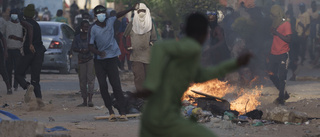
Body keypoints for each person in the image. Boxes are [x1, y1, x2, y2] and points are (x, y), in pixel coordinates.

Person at [135, 12, 252, 137]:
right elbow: (159, 47)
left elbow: (200, 75)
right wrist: (151, 85)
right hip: (164, 117)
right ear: (205, 34)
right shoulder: (193, 47)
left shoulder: (185, 49)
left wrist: (234, 64)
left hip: (150, 116)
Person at [88, 4, 138, 122]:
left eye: (103, 13)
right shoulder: (93, 28)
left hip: (111, 58)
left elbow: (118, 14)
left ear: (105, 14)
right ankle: (110, 111)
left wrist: (130, 9)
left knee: (116, 85)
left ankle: (122, 112)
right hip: (99, 61)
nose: (101, 16)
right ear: (95, 16)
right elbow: (90, 46)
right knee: (103, 85)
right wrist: (98, 52)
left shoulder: (110, 21)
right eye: (99, 14)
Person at [15, 4, 46, 108]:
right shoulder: (37, 24)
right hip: (39, 52)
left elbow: (30, 28)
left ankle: (27, 86)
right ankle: (40, 103)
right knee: (35, 80)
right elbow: (27, 35)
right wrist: (16, 38)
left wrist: (30, 44)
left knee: (18, 74)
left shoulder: (25, 22)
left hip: (30, 52)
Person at [123, 3, 157, 91]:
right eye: (139, 11)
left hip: (148, 54)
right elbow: (124, 36)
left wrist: (151, 43)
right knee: (139, 76)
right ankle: (140, 95)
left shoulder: (150, 24)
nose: (141, 13)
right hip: (136, 55)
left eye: (143, 11)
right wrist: (126, 47)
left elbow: (154, 38)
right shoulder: (132, 23)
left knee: (148, 76)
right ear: (136, 12)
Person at [3, 9, 33, 92]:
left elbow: (25, 38)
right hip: (8, 50)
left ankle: (15, 85)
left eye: (15, 14)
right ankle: (9, 87)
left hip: (18, 50)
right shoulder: (6, 25)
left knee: (17, 69)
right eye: (12, 14)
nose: (14, 15)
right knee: (8, 69)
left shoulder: (21, 25)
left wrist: (16, 38)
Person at [269, 5, 291, 105]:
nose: (272, 17)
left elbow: (289, 39)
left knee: (282, 77)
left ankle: (281, 98)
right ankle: (284, 93)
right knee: (271, 74)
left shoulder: (286, 24)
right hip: (274, 53)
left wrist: (276, 33)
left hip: (283, 53)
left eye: (273, 15)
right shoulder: (275, 23)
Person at [72, 20, 95, 107]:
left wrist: (89, 50)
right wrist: (81, 50)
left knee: (91, 80)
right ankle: (84, 100)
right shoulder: (77, 38)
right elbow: (74, 48)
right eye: (84, 27)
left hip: (90, 60)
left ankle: (90, 100)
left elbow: (95, 47)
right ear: (81, 28)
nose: (86, 29)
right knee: (82, 81)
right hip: (81, 60)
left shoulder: (91, 37)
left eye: (87, 27)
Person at [286, 5, 299, 81]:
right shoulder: (293, 19)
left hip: (292, 41)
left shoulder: (290, 20)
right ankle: (293, 74)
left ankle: (294, 75)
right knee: (293, 58)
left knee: (293, 58)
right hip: (294, 40)